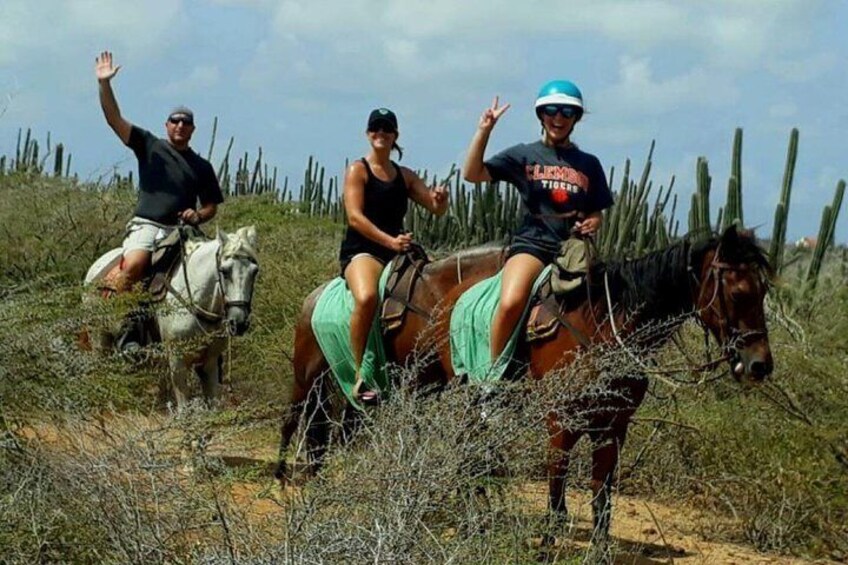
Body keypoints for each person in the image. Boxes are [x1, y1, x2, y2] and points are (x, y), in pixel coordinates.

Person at [462, 80, 614, 366]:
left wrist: (593, 222)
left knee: (603, 304)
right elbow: (472, 173)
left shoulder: (589, 163)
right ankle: (492, 378)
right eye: (552, 110)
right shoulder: (524, 155)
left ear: (576, 119)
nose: (558, 118)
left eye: (567, 112)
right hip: (532, 246)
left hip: (572, 250)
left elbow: (597, 211)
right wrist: (484, 130)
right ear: (541, 115)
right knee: (510, 302)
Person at [95, 50, 224, 352]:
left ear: (192, 129)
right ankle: (124, 328)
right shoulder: (150, 146)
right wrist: (104, 85)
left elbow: (211, 206)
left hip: (181, 231)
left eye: (186, 122)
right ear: (167, 125)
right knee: (137, 263)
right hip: (148, 227)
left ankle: (214, 339)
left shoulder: (202, 166)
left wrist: (198, 215)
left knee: (217, 270)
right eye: (175, 121)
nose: (180, 125)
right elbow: (114, 119)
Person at [341, 107, 449, 402]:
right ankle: (359, 372)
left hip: (399, 251)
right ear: (368, 133)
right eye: (376, 128)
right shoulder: (358, 170)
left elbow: (436, 209)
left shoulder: (405, 176)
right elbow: (355, 218)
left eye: (387, 129)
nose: (381, 133)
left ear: (395, 136)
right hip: (363, 251)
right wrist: (390, 242)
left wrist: (440, 200)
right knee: (366, 298)